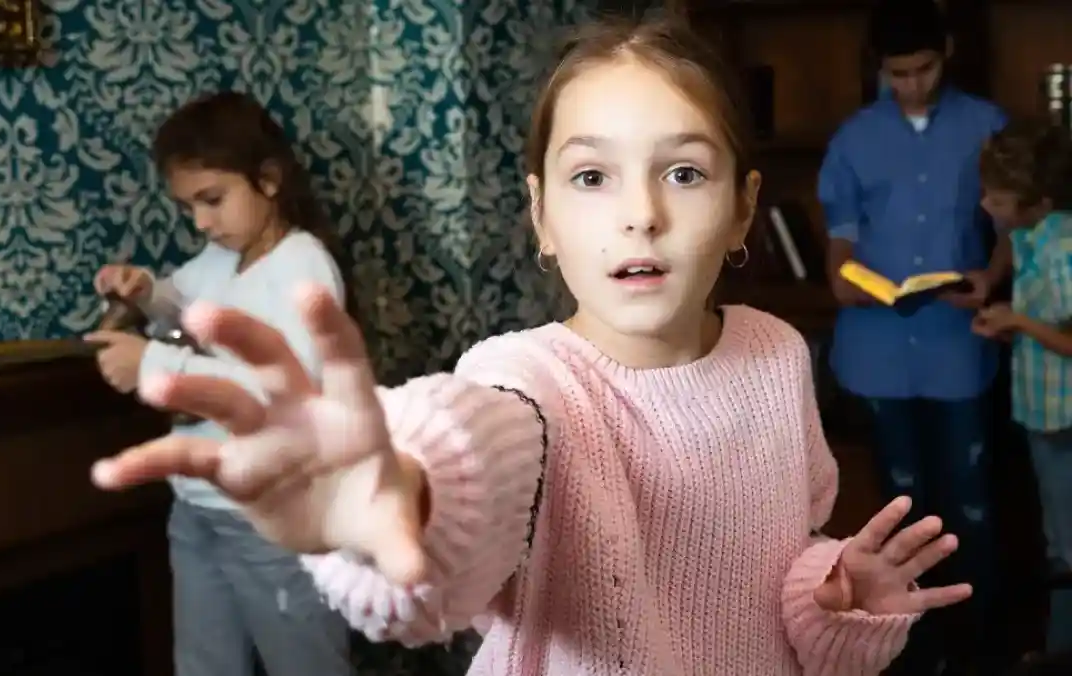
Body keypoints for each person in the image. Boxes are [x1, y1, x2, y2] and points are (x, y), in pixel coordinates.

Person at [90, 17, 973, 675]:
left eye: (683, 172)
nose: (641, 213)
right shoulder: (525, 381)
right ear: (542, 215)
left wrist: (832, 592)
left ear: (743, 209)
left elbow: (773, 565)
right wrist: (395, 499)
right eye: (591, 176)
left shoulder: (776, 354)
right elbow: (461, 469)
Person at [85, 91, 354, 676]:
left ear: (269, 179)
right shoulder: (219, 259)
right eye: (189, 207)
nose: (201, 222)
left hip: (277, 516)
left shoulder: (303, 268)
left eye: (212, 200)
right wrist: (145, 292)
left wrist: (154, 364)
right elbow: (182, 302)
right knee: (204, 664)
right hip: (199, 506)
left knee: (304, 665)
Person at [818, 1, 1008, 671]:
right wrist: (852, 282)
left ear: (946, 52)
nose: (911, 85)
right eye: (897, 74)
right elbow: (840, 257)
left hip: (959, 346)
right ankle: (913, 653)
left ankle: (982, 648)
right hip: (878, 353)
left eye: (923, 69)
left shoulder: (987, 126)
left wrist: (991, 276)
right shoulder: (853, 140)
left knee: (972, 501)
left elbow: (1013, 227)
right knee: (900, 508)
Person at [973, 120, 1072, 658]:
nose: (985, 205)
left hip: (1065, 417)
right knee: (1056, 538)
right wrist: (1008, 325)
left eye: (997, 198)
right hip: (1042, 410)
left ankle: (1059, 652)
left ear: (1038, 202)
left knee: (1067, 545)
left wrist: (1018, 320)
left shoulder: (1062, 247)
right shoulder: (1027, 238)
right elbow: (1046, 327)